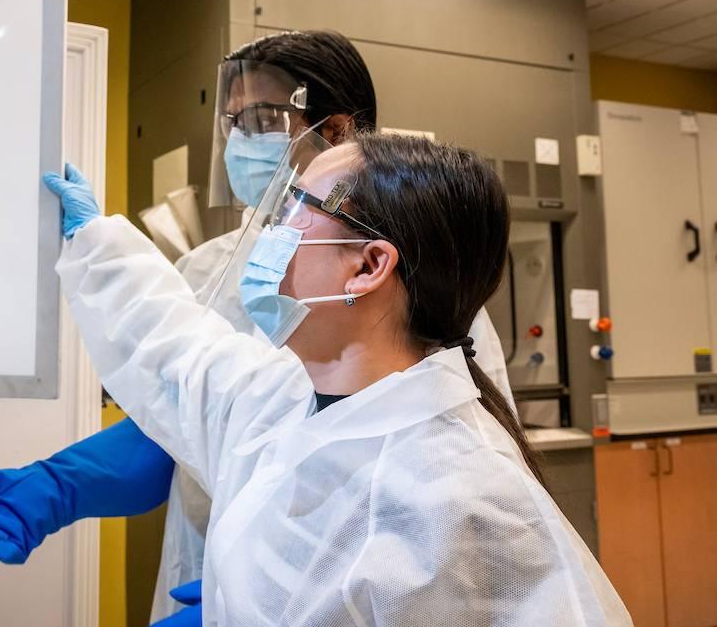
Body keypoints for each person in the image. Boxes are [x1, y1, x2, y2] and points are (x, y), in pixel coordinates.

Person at [0, 32, 512, 624]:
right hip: (208, 566)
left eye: (261, 119)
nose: (240, 140)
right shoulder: (213, 265)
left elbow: (440, 507)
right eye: (232, 122)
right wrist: (59, 485)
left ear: (335, 132)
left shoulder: (420, 298)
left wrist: (288, 595)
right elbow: (193, 397)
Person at [43, 133, 630, 625]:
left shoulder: (462, 498)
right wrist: (97, 241)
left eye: (299, 206)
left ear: (369, 265)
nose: (274, 228)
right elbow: (181, 353)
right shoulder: (286, 397)